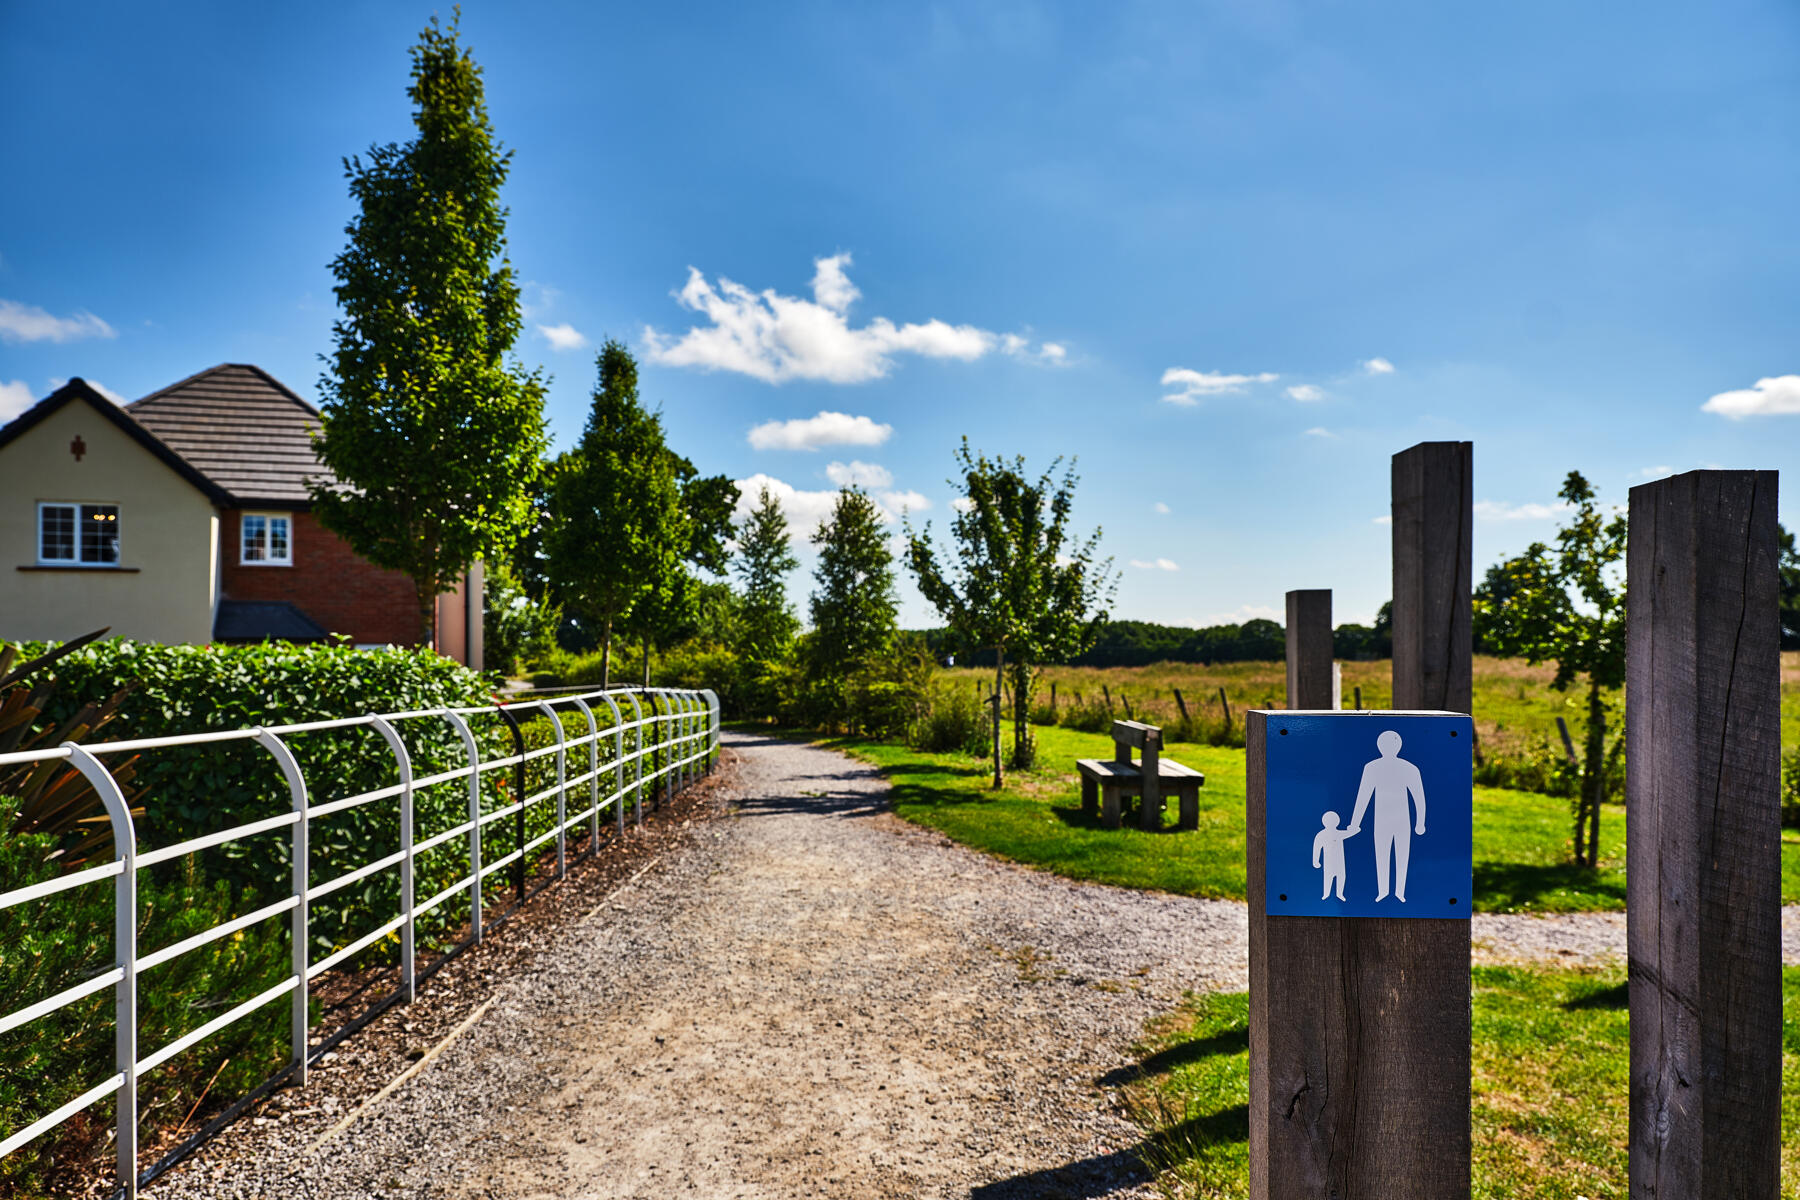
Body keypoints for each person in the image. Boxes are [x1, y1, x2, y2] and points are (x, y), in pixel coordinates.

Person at [1346, 730, 1426, 902]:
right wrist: (1355, 823)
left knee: (1397, 854)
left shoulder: (1408, 768)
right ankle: (1385, 891)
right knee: (1386, 854)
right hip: (1384, 820)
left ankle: (1399, 892)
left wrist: (1421, 823)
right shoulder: (1373, 768)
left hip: (1399, 820)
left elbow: (1419, 797)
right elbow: (1363, 796)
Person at [1311, 810, 1354, 901]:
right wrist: (1315, 861)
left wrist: (1354, 830)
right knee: (1328, 878)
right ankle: (1326, 894)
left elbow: (1347, 834)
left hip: (1340, 862)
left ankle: (1340, 894)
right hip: (1328, 862)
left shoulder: (1338, 833)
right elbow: (1317, 848)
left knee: (1341, 877)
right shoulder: (1321, 835)